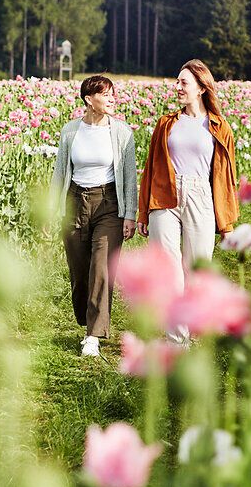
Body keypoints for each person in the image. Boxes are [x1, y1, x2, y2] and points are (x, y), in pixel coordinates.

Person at [139, 59, 240, 339]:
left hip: (200, 195)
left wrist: (227, 223)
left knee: (197, 269)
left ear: (201, 89)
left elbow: (225, 177)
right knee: (169, 271)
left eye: (184, 82)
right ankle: (177, 342)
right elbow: (151, 169)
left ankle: (198, 330)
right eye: (177, 81)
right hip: (165, 196)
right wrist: (143, 213)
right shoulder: (165, 124)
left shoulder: (220, 127)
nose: (177, 87)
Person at [52, 74, 138, 357]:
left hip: (109, 203)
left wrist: (130, 215)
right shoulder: (70, 132)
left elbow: (129, 178)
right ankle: (87, 317)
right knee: (79, 271)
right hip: (75, 201)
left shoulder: (123, 133)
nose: (112, 98)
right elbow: (60, 173)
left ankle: (94, 335)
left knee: (101, 268)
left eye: (113, 93)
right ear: (89, 99)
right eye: (106, 94)